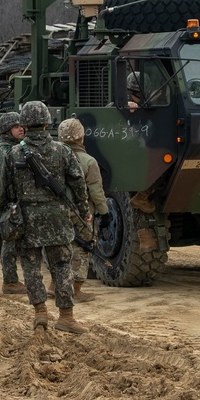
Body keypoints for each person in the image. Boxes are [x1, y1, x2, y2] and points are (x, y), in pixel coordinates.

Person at [0, 100, 90, 334]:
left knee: (32, 268)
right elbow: (78, 184)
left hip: (26, 220)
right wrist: (84, 211)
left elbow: (1, 189)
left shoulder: (14, 152)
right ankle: (66, 317)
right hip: (57, 218)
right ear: (48, 122)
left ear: (24, 124)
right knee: (62, 266)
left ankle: (40, 314)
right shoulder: (62, 150)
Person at [57, 117, 110, 303]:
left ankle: (54, 284)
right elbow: (96, 191)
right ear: (81, 137)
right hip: (82, 214)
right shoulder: (89, 161)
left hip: (56, 212)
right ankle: (76, 289)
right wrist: (105, 213)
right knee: (82, 248)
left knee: (59, 247)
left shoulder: (52, 158)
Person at [0, 112, 25, 295]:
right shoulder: (5, 151)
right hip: (9, 202)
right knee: (9, 242)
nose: (21, 129)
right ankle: (10, 281)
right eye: (15, 126)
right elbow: (2, 183)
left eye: (21, 125)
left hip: (16, 201)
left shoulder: (16, 147)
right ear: (7, 130)